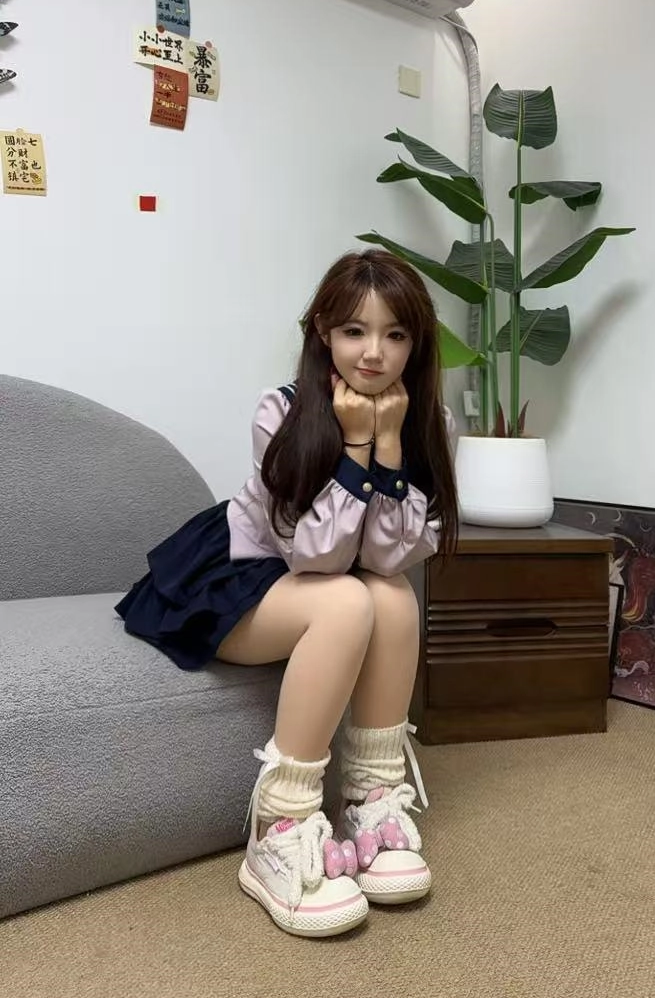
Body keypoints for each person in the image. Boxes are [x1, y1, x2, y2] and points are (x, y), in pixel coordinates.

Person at [115, 249, 458, 938]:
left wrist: (391, 449)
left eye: (395, 334)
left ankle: (370, 797)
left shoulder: (430, 423)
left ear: (416, 344)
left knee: (393, 596)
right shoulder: (282, 410)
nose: (374, 353)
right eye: (355, 331)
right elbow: (317, 557)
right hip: (244, 570)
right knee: (348, 600)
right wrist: (355, 449)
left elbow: (388, 558)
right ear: (324, 332)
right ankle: (280, 826)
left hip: (331, 574)